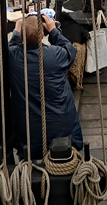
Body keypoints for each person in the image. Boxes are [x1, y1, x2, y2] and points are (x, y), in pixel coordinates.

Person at [8, 13, 82, 157]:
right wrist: (53, 30)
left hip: (29, 134)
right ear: (42, 35)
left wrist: (17, 30)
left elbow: (12, 46)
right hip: (62, 130)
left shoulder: (13, 57)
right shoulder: (56, 55)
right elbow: (70, 49)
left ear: (21, 37)